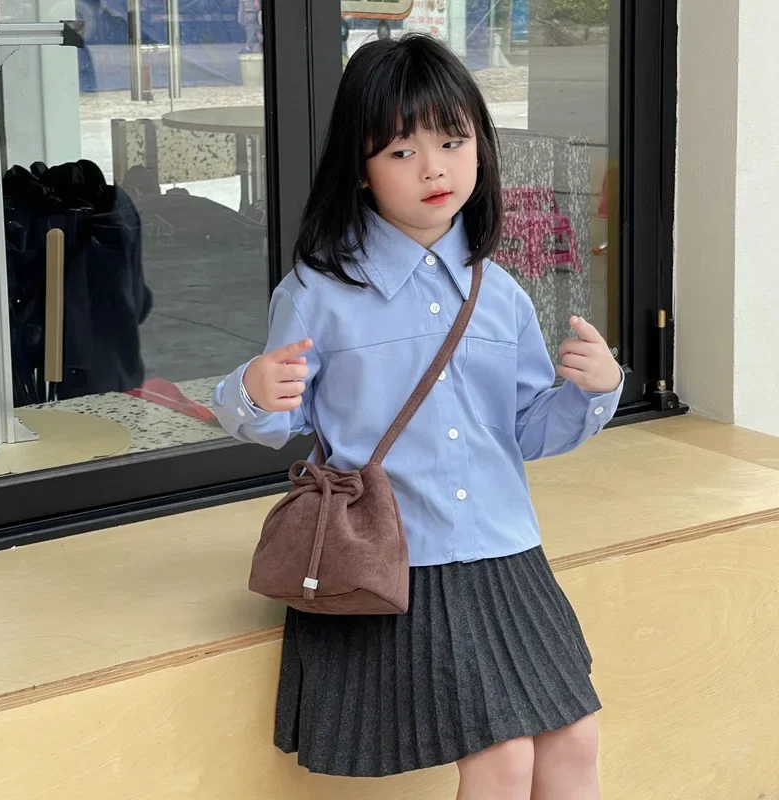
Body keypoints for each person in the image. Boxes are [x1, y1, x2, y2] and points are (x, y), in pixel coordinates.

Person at [212, 33, 623, 800]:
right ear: (359, 169)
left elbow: (526, 430)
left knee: (575, 738)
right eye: (402, 151)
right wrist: (254, 392)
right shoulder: (319, 292)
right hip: (395, 562)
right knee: (502, 756)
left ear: (481, 149)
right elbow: (275, 423)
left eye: (452, 141)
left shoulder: (500, 294)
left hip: (506, 552)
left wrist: (592, 392)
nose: (434, 168)